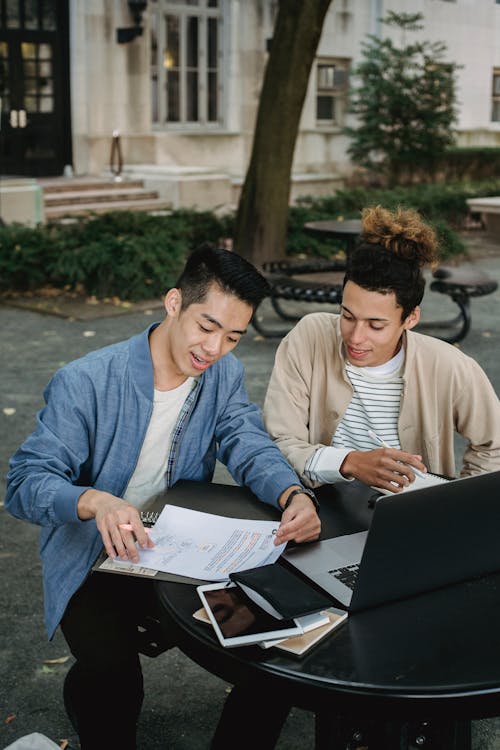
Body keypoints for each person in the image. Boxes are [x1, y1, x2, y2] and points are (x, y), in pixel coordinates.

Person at [4, 245, 320, 750]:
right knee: (112, 674)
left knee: (276, 640)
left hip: (179, 549)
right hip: (93, 558)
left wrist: (292, 493)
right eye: (206, 326)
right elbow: (24, 484)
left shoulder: (223, 374)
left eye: (233, 336)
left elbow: (246, 439)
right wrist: (94, 501)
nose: (215, 348)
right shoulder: (86, 381)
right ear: (174, 302)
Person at [263, 205, 500, 493]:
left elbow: (494, 446)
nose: (356, 337)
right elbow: (279, 440)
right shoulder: (309, 337)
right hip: (319, 506)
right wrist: (348, 462)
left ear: (411, 318)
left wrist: (461, 503)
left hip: (412, 517)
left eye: (376, 325)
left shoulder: (450, 366)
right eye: (347, 316)